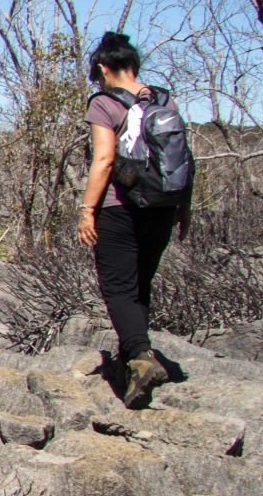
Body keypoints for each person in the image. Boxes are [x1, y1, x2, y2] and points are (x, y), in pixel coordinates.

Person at [77, 31, 192, 408]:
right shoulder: (163, 99)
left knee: (117, 287)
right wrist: (183, 207)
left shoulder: (105, 104)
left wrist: (87, 209)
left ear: (103, 68)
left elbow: (105, 160)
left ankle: (141, 358)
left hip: (119, 206)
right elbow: (182, 158)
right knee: (141, 283)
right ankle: (134, 359)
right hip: (161, 206)